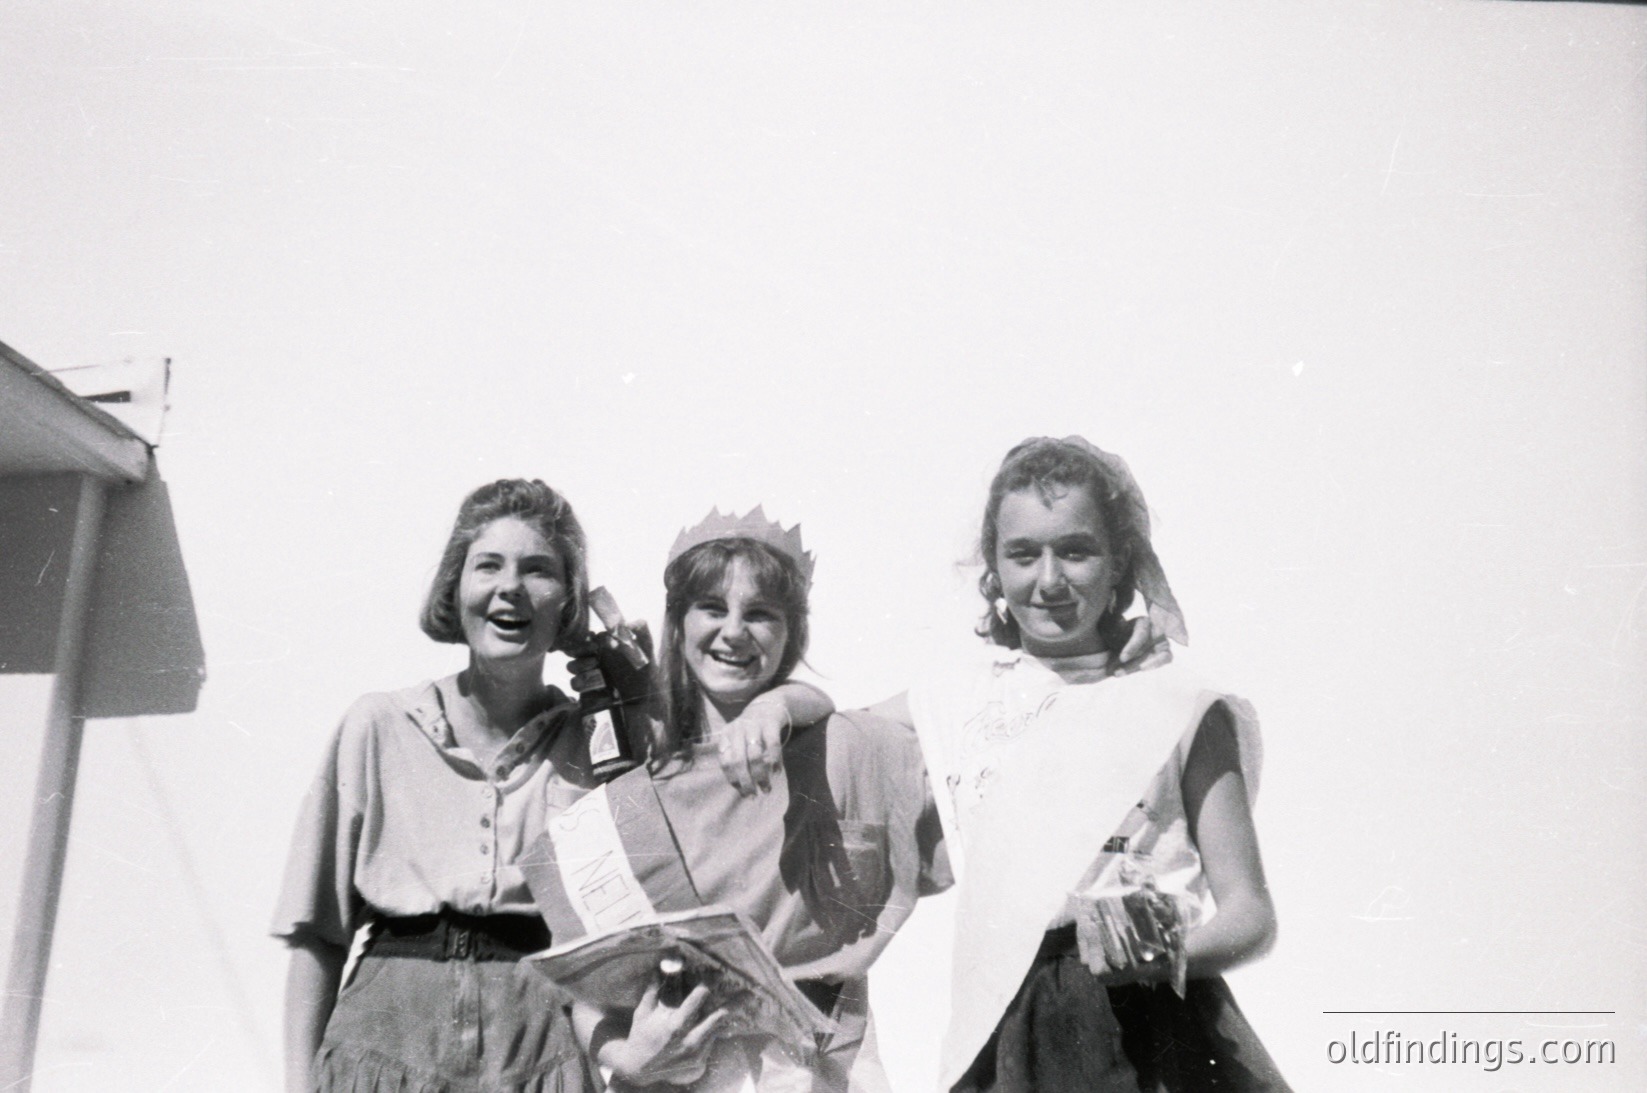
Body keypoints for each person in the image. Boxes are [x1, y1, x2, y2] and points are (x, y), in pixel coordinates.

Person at [272, 481, 835, 1093]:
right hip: (384, 1043)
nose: (511, 587)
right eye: (488, 565)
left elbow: (768, 712)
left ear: (568, 603)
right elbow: (316, 937)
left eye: (538, 570)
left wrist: (754, 707)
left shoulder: (597, 744)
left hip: (539, 1048)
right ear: (454, 588)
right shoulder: (377, 727)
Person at [864, 436, 1290, 1092]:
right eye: (1023, 553)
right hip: (1011, 1022)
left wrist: (1164, 953)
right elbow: (828, 738)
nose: (1049, 579)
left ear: (1120, 558)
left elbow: (1249, 912)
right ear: (994, 566)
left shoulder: (1179, 705)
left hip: (1153, 1027)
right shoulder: (960, 697)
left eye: (1076, 549)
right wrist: (775, 705)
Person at [563, 508, 949, 1093]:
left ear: (792, 632)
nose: (734, 631)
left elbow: (946, 713)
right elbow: (587, 975)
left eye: (761, 614)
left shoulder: (837, 752)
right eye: (712, 608)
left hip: (812, 1071)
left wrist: (784, 705)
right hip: (675, 1072)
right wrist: (628, 1054)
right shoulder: (638, 771)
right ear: (677, 623)